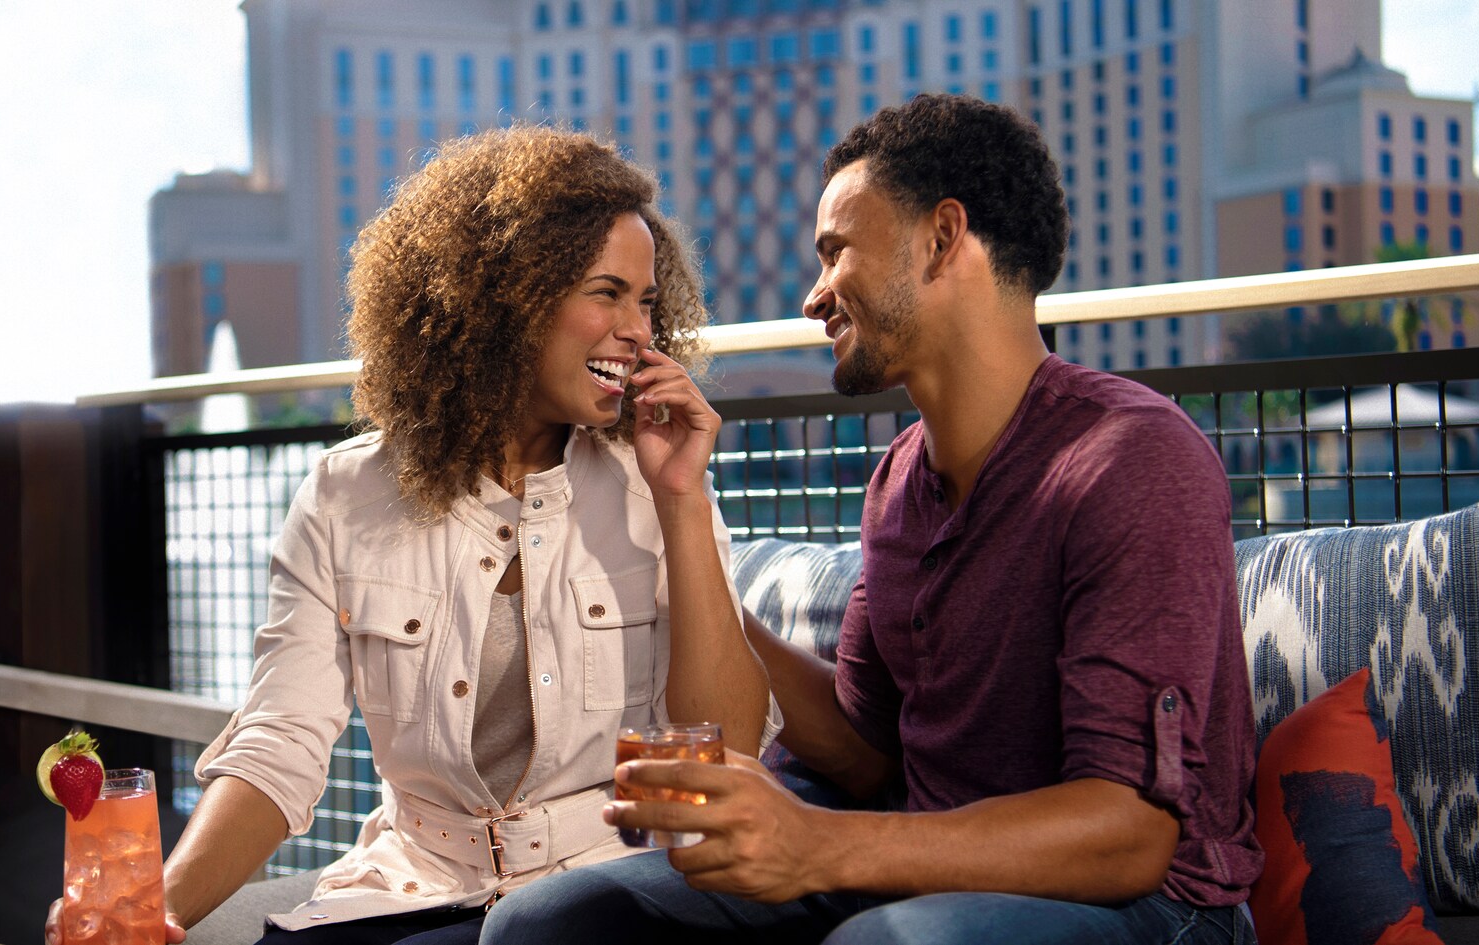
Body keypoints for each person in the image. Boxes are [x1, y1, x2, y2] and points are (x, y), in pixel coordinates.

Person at [478, 94, 1262, 945]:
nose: (815, 296)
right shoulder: (898, 482)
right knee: (549, 921)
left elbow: (1129, 836)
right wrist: (678, 573)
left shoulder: (1132, 458)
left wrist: (820, 846)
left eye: (835, 251)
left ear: (941, 235)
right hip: (919, 865)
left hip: (1149, 908)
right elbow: (863, 745)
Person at [44, 126, 772, 945]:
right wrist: (154, 907)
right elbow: (278, 744)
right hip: (414, 885)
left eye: (646, 300)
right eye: (607, 293)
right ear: (508, 298)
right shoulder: (343, 496)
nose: (639, 329)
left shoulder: (661, 479)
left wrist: (681, 499)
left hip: (602, 888)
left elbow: (728, 747)